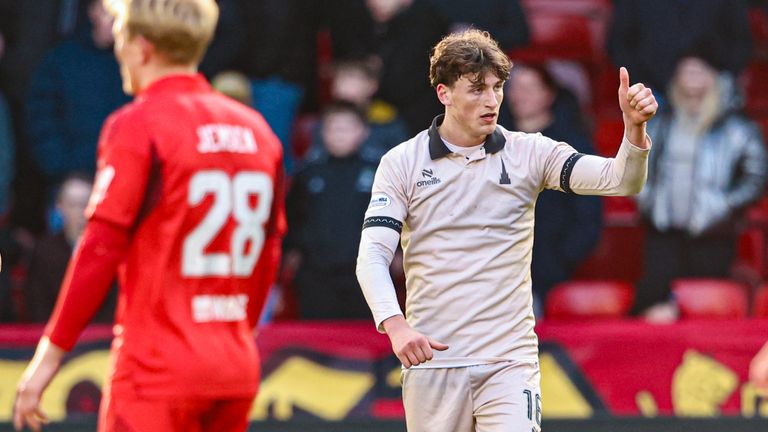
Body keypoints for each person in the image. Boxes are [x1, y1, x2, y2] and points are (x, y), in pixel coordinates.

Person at [356, 29, 656, 431]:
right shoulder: (402, 162)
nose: (492, 100)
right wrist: (395, 325)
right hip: (434, 360)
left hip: (509, 361)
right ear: (444, 93)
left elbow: (620, 181)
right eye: (477, 89)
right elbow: (372, 255)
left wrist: (633, 131)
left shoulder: (530, 152)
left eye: (497, 87)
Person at [14, 1, 285, 431]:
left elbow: (100, 247)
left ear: (140, 47)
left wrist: (49, 356)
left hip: (157, 369)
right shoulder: (257, 131)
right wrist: (236, 333)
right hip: (234, 365)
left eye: (120, 38)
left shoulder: (138, 123)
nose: (117, 50)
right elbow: (269, 252)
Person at [633, 55, 768, 321]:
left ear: (716, 78)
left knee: (704, 309)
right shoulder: (661, 122)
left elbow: (757, 177)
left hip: (712, 232)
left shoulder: (737, 128)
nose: (692, 78)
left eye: (699, 71)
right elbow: (638, 163)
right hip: (663, 229)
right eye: (686, 72)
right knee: (654, 305)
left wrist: (724, 204)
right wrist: (647, 199)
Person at [501, 64, 602, 316]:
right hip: (495, 268)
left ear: (549, 95)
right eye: (515, 88)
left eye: (530, 88)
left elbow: (588, 215)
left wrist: (559, 260)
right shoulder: (491, 142)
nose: (520, 95)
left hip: (548, 273)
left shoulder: (571, 147)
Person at [284, 101, 378, 319]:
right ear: (322, 132)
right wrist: (291, 250)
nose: (339, 135)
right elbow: (293, 216)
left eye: (346, 128)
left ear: (363, 131)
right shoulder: (308, 171)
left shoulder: (379, 171)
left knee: (364, 335)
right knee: (316, 333)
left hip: (366, 271)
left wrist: (398, 250)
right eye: (333, 128)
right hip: (316, 271)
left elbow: (397, 216)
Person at [23, 173, 117, 323]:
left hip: (101, 334)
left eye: (85, 203)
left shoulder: (111, 250)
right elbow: (37, 305)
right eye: (73, 204)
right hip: (52, 333)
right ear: (59, 207)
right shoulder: (44, 251)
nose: (80, 212)